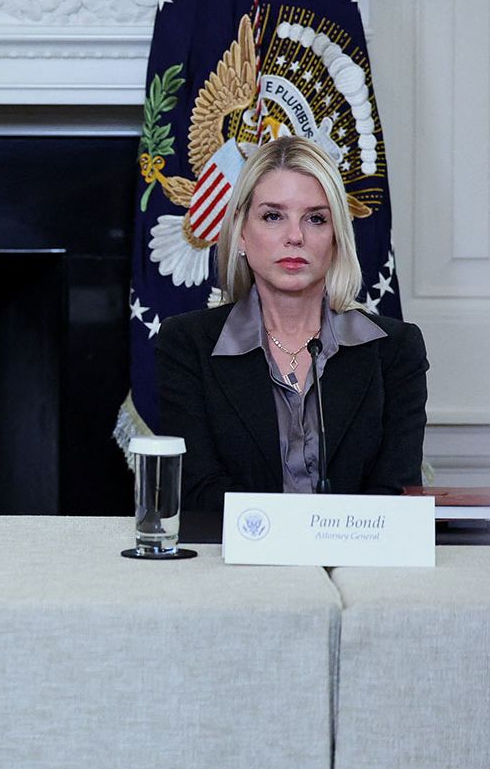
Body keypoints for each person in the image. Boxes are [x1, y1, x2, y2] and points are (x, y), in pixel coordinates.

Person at [155, 134, 427, 511]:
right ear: (242, 233)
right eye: (273, 216)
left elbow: (396, 494)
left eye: (315, 219)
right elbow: (198, 492)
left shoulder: (395, 349)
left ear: (335, 238)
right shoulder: (187, 343)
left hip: (356, 564)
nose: (295, 237)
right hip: (236, 564)